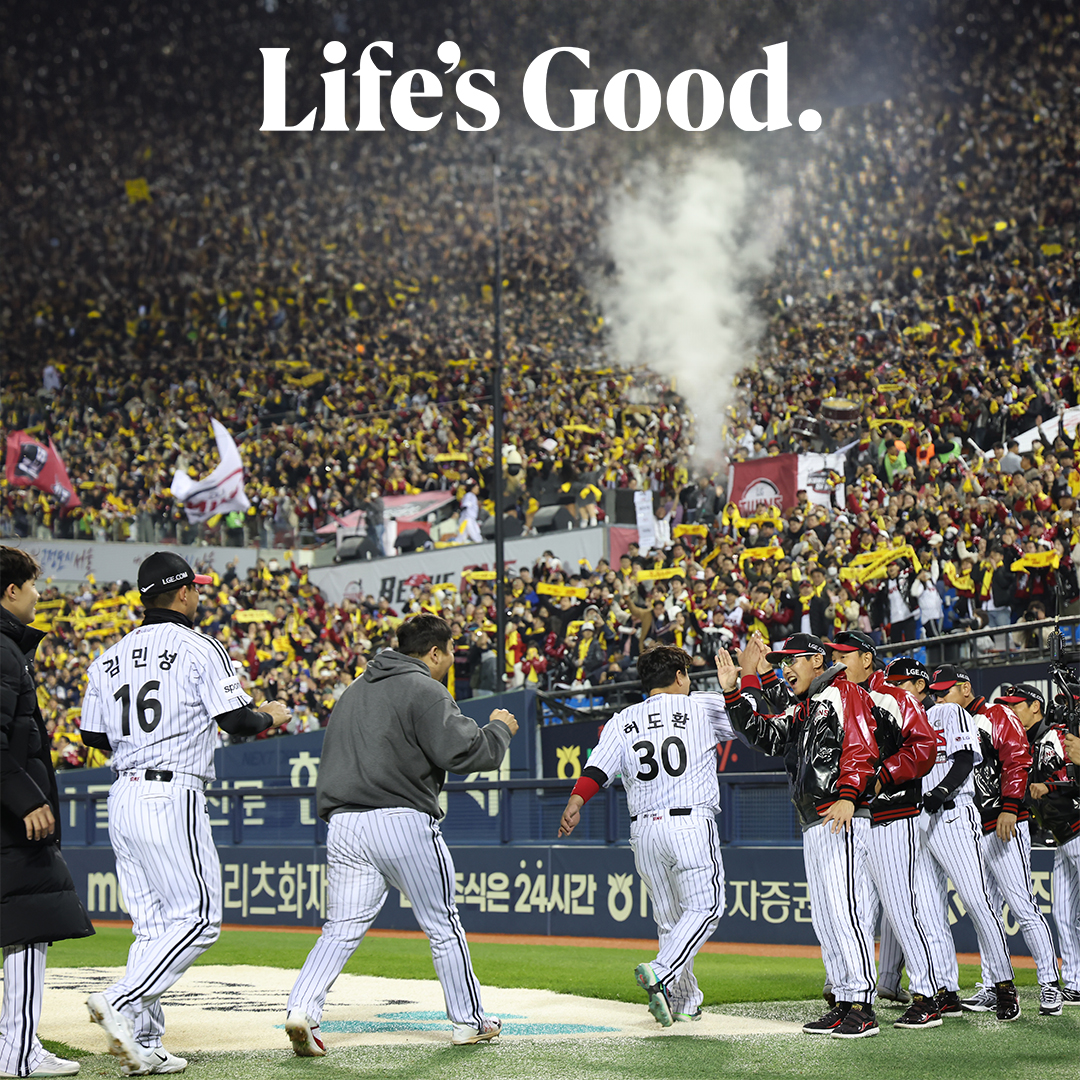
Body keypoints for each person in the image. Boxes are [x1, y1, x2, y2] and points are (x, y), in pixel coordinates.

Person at [79, 552, 291, 1075]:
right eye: (194, 588)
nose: (199, 594)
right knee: (198, 920)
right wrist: (273, 714)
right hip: (172, 792)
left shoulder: (108, 657)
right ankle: (121, 1002)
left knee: (152, 927)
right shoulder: (199, 646)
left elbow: (90, 736)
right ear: (181, 594)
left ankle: (143, 1042)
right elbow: (238, 720)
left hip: (123, 796)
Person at [284, 614, 516, 1052]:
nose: (450, 659)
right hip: (401, 819)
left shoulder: (352, 691)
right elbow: (465, 752)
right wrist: (500, 729)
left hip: (345, 824)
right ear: (433, 652)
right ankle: (469, 1020)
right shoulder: (424, 687)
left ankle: (302, 1009)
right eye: (449, 651)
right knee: (442, 924)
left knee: (339, 930)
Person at [558, 645, 738, 1026]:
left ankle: (684, 1000)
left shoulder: (623, 719)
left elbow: (596, 770)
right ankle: (662, 969)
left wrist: (576, 802)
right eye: (686, 674)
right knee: (707, 908)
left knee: (671, 922)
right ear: (678, 676)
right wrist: (749, 680)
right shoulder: (701, 706)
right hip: (689, 823)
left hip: (644, 831)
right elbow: (748, 718)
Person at [720, 633, 882, 1039]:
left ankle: (863, 1005)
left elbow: (863, 747)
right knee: (827, 915)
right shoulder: (808, 705)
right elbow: (767, 737)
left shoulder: (844, 691)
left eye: (792, 660)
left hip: (839, 814)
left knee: (846, 911)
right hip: (815, 819)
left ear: (817, 660)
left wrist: (849, 795)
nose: (785, 668)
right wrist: (733, 694)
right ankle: (845, 998)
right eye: (782, 661)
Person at [1, 547, 94, 1079]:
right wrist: (27, 799)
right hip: (11, 816)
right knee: (29, 926)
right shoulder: (3, 650)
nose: (39, 594)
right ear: (11, 591)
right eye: (33, 585)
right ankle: (18, 1055)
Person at [826, 634, 941, 1029]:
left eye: (845, 656)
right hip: (856, 819)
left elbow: (924, 747)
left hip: (893, 813)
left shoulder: (894, 696)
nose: (838, 663)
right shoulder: (839, 698)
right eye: (834, 657)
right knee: (858, 910)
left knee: (902, 908)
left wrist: (885, 776)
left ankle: (929, 995)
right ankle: (854, 996)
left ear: (867, 658)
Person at [919, 666, 1019, 1021]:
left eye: (943, 690)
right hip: (920, 822)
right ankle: (945, 991)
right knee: (929, 911)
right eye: (937, 690)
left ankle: (1004, 986)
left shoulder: (953, 712)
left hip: (953, 814)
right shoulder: (915, 717)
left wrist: (942, 789)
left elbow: (963, 759)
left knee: (977, 901)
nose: (939, 696)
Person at [966, 684, 1061, 1015]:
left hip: (1006, 823)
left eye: (1016, 704)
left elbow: (1016, 763)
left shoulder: (995, 718)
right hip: (979, 828)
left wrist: (1010, 806)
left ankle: (1050, 985)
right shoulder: (970, 720)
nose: (1010, 709)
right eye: (1006, 703)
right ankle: (993, 984)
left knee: (1022, 906)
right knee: (986, 910)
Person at [1006, 684, 1079, 1006]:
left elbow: (1072, 779)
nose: (1012, 712)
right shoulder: (1031, 741)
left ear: (1035, 706)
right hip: (1061, 838)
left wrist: (1048, 785)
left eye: (1017, 705)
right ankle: (1075, 983)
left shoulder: (1058, 736)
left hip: (1076, 830)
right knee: (1063, 915)